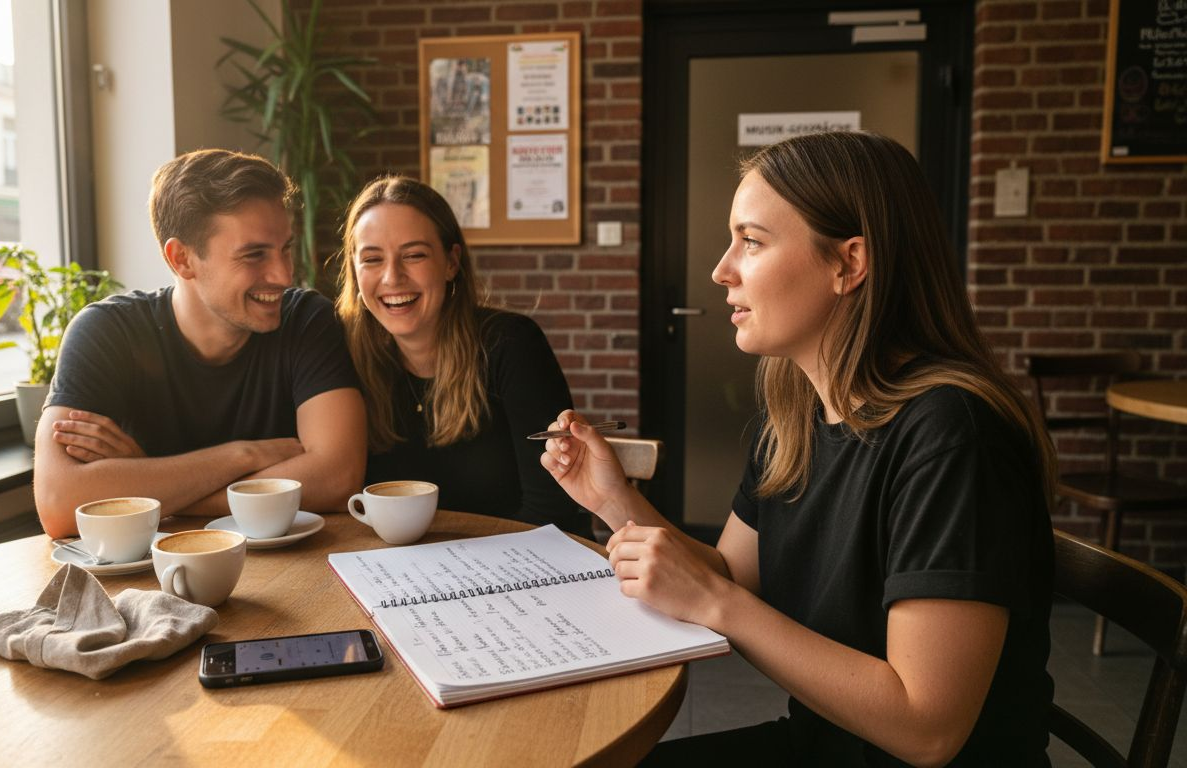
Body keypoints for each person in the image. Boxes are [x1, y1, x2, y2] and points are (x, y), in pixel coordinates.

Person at [541, 131, 1056, 766]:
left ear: (849, 264)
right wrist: (613, 499)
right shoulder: (797, 411)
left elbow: (928, 729)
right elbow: (728, 576)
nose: (721, 269)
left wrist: (715, 603)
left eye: (751, 241)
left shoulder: (952, 436)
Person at [34, 149, 366, 540]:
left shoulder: (306, 321)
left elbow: (337, 477)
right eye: (254, 255)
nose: (283, 274)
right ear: (182, 259)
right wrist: (245, 456)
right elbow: (59, 505)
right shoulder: (106, 333)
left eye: (285, 248)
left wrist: (151, 487)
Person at [335, 175, 582, 534]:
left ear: (452, 262)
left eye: (414, 255)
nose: (392, 277)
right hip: (399, 572)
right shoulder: (345, 352)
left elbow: (552, 509)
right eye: (372, 259)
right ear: (355, 273)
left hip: (521, 565)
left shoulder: (510, 344)